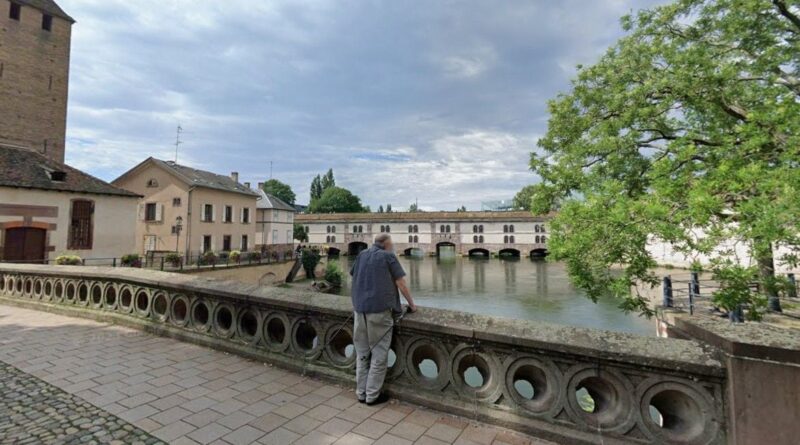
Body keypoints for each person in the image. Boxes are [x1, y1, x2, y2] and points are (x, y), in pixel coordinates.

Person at [350, 233, 417, 405]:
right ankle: (372, 396)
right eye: (391, 243)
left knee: (362, 354)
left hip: (359, 311)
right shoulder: (388, 256)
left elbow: (354, 275)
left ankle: (361, 393)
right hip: (379, 312)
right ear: (386, 244)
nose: (392, 246)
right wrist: (412, 305)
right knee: (379, 355)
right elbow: (401, 284)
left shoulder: (362, 254)